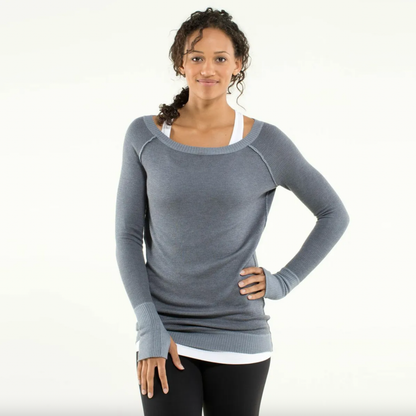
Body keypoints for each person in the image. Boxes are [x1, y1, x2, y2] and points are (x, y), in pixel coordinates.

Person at [115, 7, 350, 416]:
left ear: (237, 64)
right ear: (180, 63)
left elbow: (333, 213)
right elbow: (128, 236)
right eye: (197, 57)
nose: (208, 69)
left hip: (240, 335)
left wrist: (283, 282)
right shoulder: (144, 136)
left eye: (220, 58)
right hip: (165, 332)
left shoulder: (267, 143)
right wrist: (147, 322)